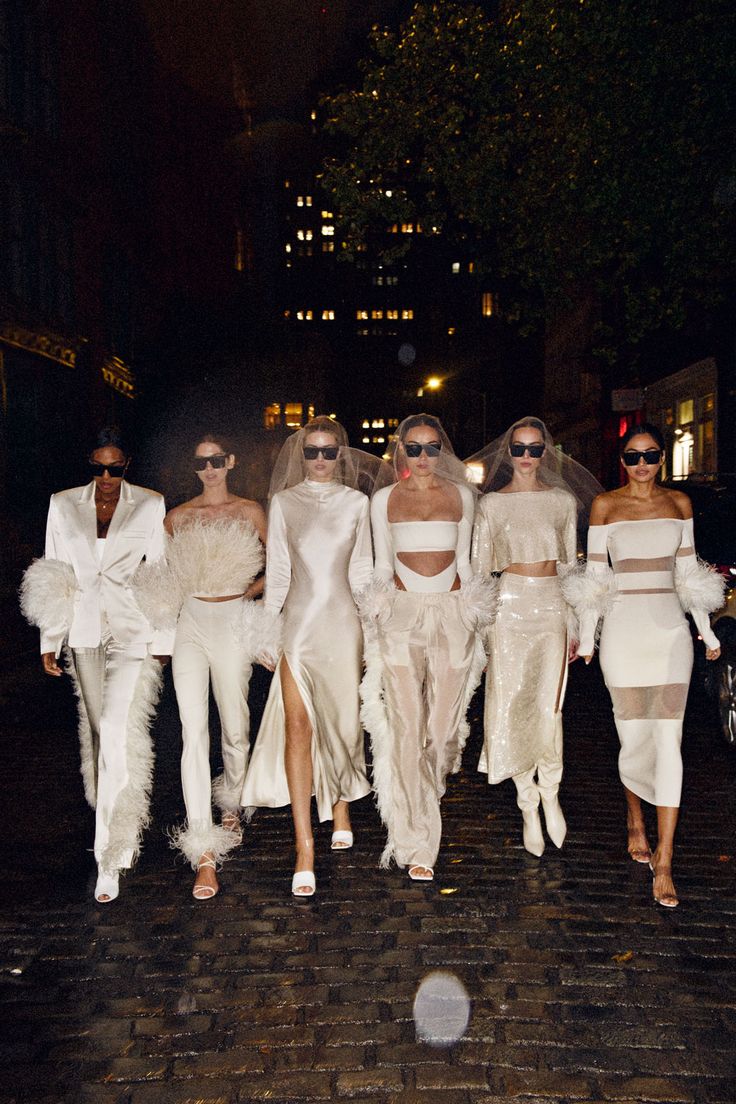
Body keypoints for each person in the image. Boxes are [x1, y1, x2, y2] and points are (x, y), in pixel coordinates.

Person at [571, 423, 723, 908]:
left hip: (669, 634)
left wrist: (706, 628)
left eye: (651, 455)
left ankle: (665, 857)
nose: (642, 465)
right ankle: (634, 815)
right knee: (632, 735)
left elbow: (687, 573)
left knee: (668, 740)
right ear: (622, 461)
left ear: (662, 459)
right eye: (633, 457)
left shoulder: (679, 504)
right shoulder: (605, 506)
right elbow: (595, 578)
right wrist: (588, 636)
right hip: (622, 631)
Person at [20, 427, 173, 903]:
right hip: (83, 631)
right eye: (98, 468)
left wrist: (163, 637)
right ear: (88, 464)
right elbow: (54, 571)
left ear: (127, 465)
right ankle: (117, 821)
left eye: (115, 468)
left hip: (132, 630)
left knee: (115, 725)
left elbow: (160, 571)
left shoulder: (149, 503)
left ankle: (110, 851)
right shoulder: (62, 503)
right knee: (98, 733)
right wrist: (50, 636)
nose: (106, 478)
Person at [241, 416, 377, 898]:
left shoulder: (357, 503)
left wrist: (373, 630)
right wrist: (265, 628)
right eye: (312, 451)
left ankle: (339, 804)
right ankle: (304, 847)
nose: (320, 459)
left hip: (343, 626)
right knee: (299, 727)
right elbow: (277, 572)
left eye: (329, 451)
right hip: (297, 627)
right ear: (302, 455)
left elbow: (362, 570)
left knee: (341, 724)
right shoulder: (283, 503)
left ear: (341, 454)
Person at [360, 414, 494, 882]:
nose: (422, 457)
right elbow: (380, 563)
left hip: (452, 613)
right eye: (413, 448)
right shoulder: (382, 500)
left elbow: (467, 561)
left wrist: (476, 610)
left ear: (442, 451)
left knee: (442, 729)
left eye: (431, 448)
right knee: (406, 725)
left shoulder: (461, 496)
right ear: (400, 450)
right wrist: (376, 611)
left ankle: (428, 787)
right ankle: (417, 840)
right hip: (400, 615)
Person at [135, 434, 267, 900]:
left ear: (230, 461)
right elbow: (161, 574)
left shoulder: (250, 511)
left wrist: (248, 595)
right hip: (190, 620)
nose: (209, 468)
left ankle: (232, 801)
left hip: (232, 620)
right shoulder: (177, 518)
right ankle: (204, 852)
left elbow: (283, 565)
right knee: (193, 732)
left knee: (235, 724)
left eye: (216, 460)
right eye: (201, 462)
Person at [469, 416, 600, 856]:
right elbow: (479, 571)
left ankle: (551, 792)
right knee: (510, 701)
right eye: (520, 449)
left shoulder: (562, 501)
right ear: (509, 454)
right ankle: (527, 803)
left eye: (535, 448)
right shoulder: (491, 506)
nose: (527, 456)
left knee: (550, 704)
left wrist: (579, 622)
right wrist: (481, 631)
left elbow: (569, 566)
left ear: (546, 452)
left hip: (551, 607)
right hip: (508, 607)